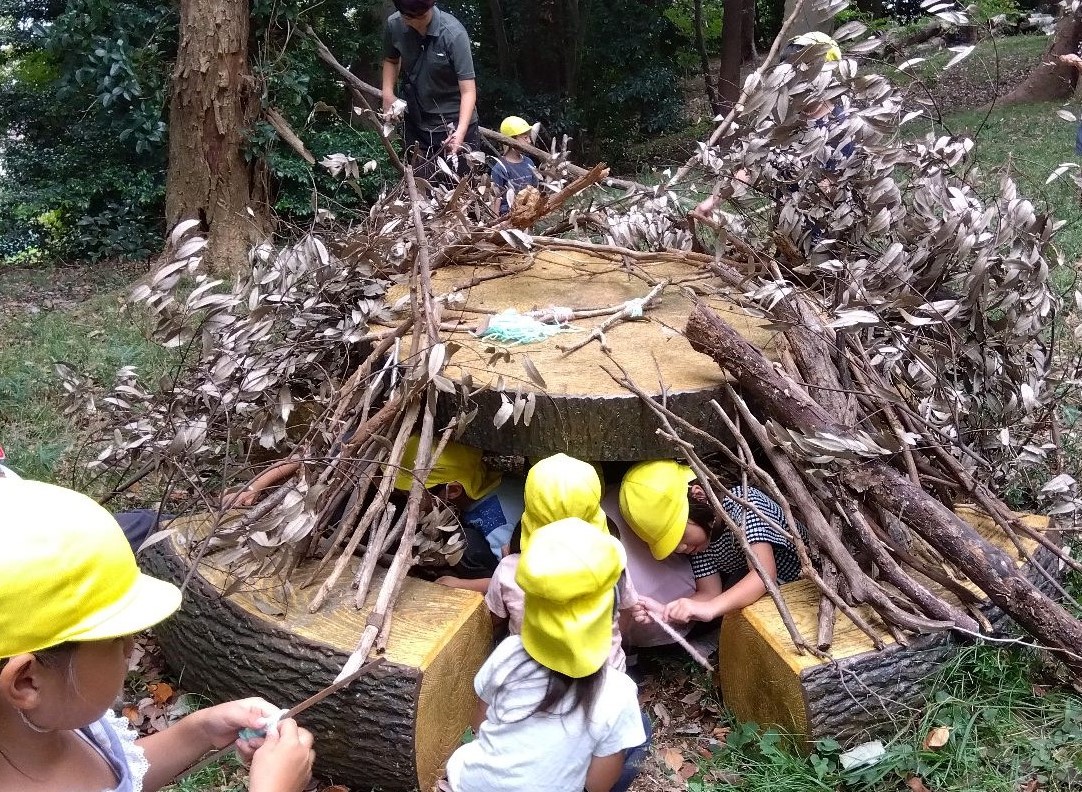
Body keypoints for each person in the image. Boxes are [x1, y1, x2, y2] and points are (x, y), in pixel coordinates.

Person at [0, 478, 316, 792]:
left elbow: (118, 773)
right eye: (115, 639)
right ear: (26, 681)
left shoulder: (50, 719)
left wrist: (199, 731)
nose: (130, 646)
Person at [443, 518, 649, 792]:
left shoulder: (508, 652)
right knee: (641, 731)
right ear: (608, 612)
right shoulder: (618, 692)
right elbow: (597, 786)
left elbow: (480, 725)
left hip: (473, 783)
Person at [484, 453, 636, 671]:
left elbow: (494, 620)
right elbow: (625, 616)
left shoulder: (508, 570)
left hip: (530, 676)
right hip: (606, 671)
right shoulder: (613, 562)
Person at [617, 460, 803, 627]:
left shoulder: (745, 506)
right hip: (777, 599)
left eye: (680, 535)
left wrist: (711, 609)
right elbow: (710, 593)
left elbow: (764, 575)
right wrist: (666, 611)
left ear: (699, 496)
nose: (681, 548)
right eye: (672, 544)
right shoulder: (700, 544)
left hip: (804, 583)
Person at [393, 435, 524, 592]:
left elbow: (516, 581)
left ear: (453, 490)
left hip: (517, 570)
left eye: (412, 494)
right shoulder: (483, 480)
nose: (409, 500)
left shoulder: (498, 523)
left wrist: (461, 585)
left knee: (466, 543)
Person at [381, 0, 479, 176]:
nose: (414, 22)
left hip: (454, 123)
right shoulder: (394, 25)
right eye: (408, 18)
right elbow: (391, 59)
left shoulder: (454, 34)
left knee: (461, 193)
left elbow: (468, 90)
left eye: (421, 16)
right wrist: (387, 94)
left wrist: (460, 132)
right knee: (419, 190)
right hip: (417, 122)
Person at [491, 116, 539, 216]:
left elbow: (535, 189)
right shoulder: (500, 168)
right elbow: (496, 198)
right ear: (511, 140)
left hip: (527, 214)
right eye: (525, 137)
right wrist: (495, 223)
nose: (529, 141)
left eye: (529, 137)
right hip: (508, 217)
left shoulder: (529, 162)